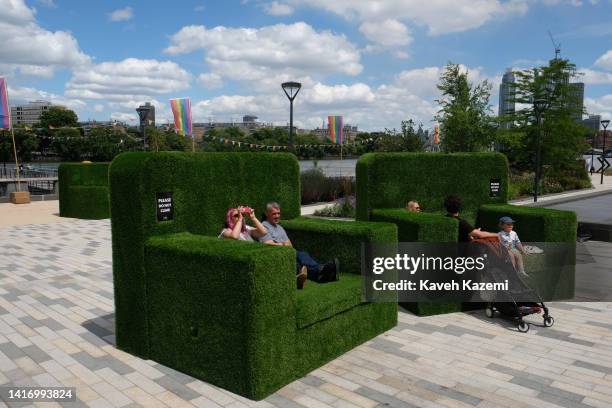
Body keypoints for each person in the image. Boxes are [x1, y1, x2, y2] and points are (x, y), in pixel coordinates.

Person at [259, 202, 339, 289]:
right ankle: (321, 271)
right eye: (274, 214)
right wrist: (283, 244)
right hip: (278, 254)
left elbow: (290, 245)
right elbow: (269, 244)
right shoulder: (263, 227)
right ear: (267, 213)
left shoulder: (279, 227)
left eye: (278, 213)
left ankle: (324, 275)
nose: (277, 216)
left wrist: (284, 245)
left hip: (288, 251)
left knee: (302, 255)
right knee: (301, 256)